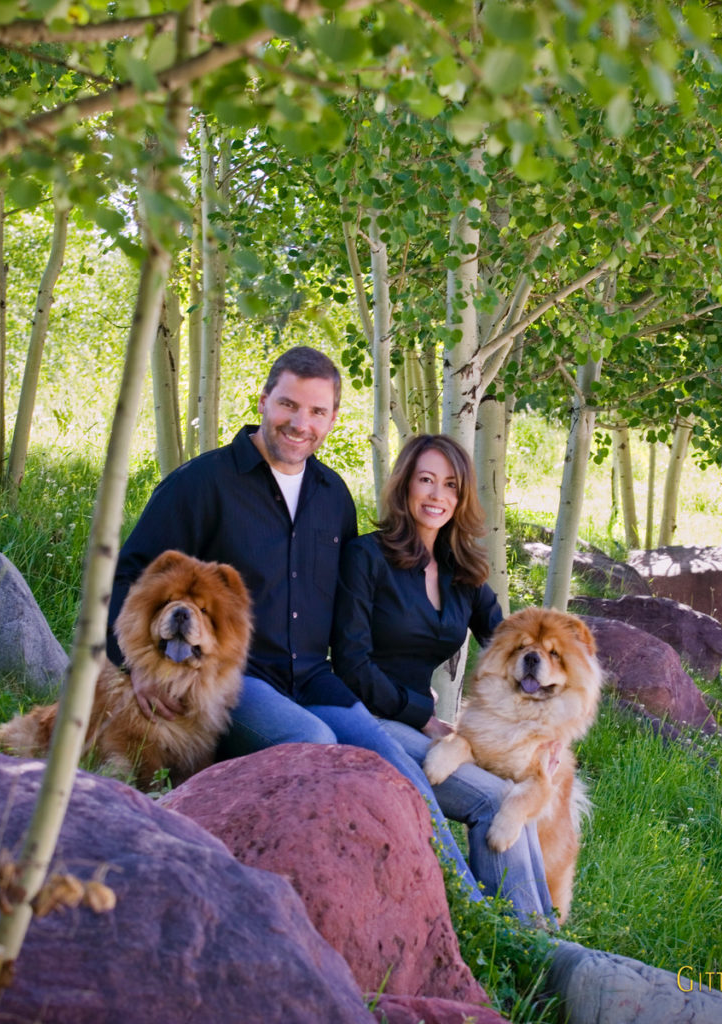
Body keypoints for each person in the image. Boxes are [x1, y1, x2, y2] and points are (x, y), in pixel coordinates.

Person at [107, 346, 483, 900]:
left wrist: (409, 701)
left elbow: (357, 615)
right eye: (288, 405)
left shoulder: (333, 496)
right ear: (264, 400)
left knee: (394, 764)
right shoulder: (203, 483)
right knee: (315, 742)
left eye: (317, 412)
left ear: (332, 419)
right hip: (235, 682)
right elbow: (129, 576)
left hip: (313, 676)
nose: (300, 424)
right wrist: (133, 668)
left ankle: (466, 908)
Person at [330, 434, 555, 924]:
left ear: (462, 496)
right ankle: (522, 946)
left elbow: (511, 649)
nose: (437, 496)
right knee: (493, 800)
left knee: (517, 800)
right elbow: (351, 664)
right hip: (362, 716)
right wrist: (426, 718)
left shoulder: (464, 574)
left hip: (415, 723)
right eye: (426, 480)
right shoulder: (365, 558)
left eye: (450, 485)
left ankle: (547, 933)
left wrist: (547, 726)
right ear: (405, 486)